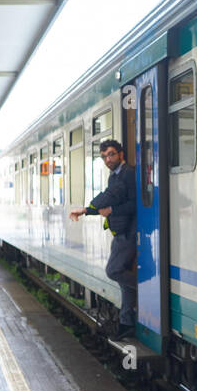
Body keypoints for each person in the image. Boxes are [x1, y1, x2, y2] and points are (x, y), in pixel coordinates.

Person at [68, 140, 136, 340]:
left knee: (113, 271)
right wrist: (100, 210)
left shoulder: (127, 174)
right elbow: (112, 198)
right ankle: (126, 323)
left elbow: (132, 204)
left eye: (112, 154)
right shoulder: (114, 176)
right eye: (105, 156)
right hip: (120, 232)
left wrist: (89, 209)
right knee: (123, 281)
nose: (108, 159)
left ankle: (147, 287)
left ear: (121, 154)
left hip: (129, 233)